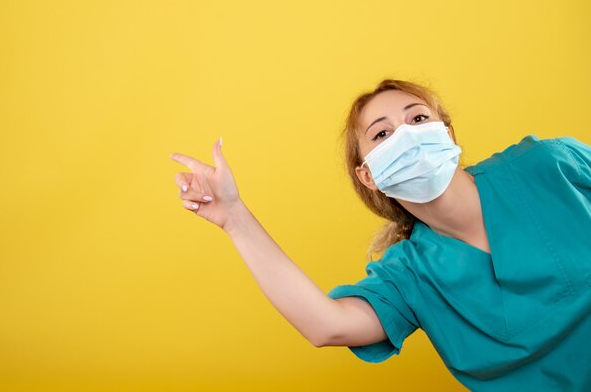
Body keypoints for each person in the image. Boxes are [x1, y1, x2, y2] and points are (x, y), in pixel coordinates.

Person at [170, 78, 591, 391]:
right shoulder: (410, 276)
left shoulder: (547, 166)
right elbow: (326, 326)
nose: (407, 135)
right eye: (383, 134)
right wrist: (235, 217)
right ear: (368, 175)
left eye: (418, 118)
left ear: (446, 133)